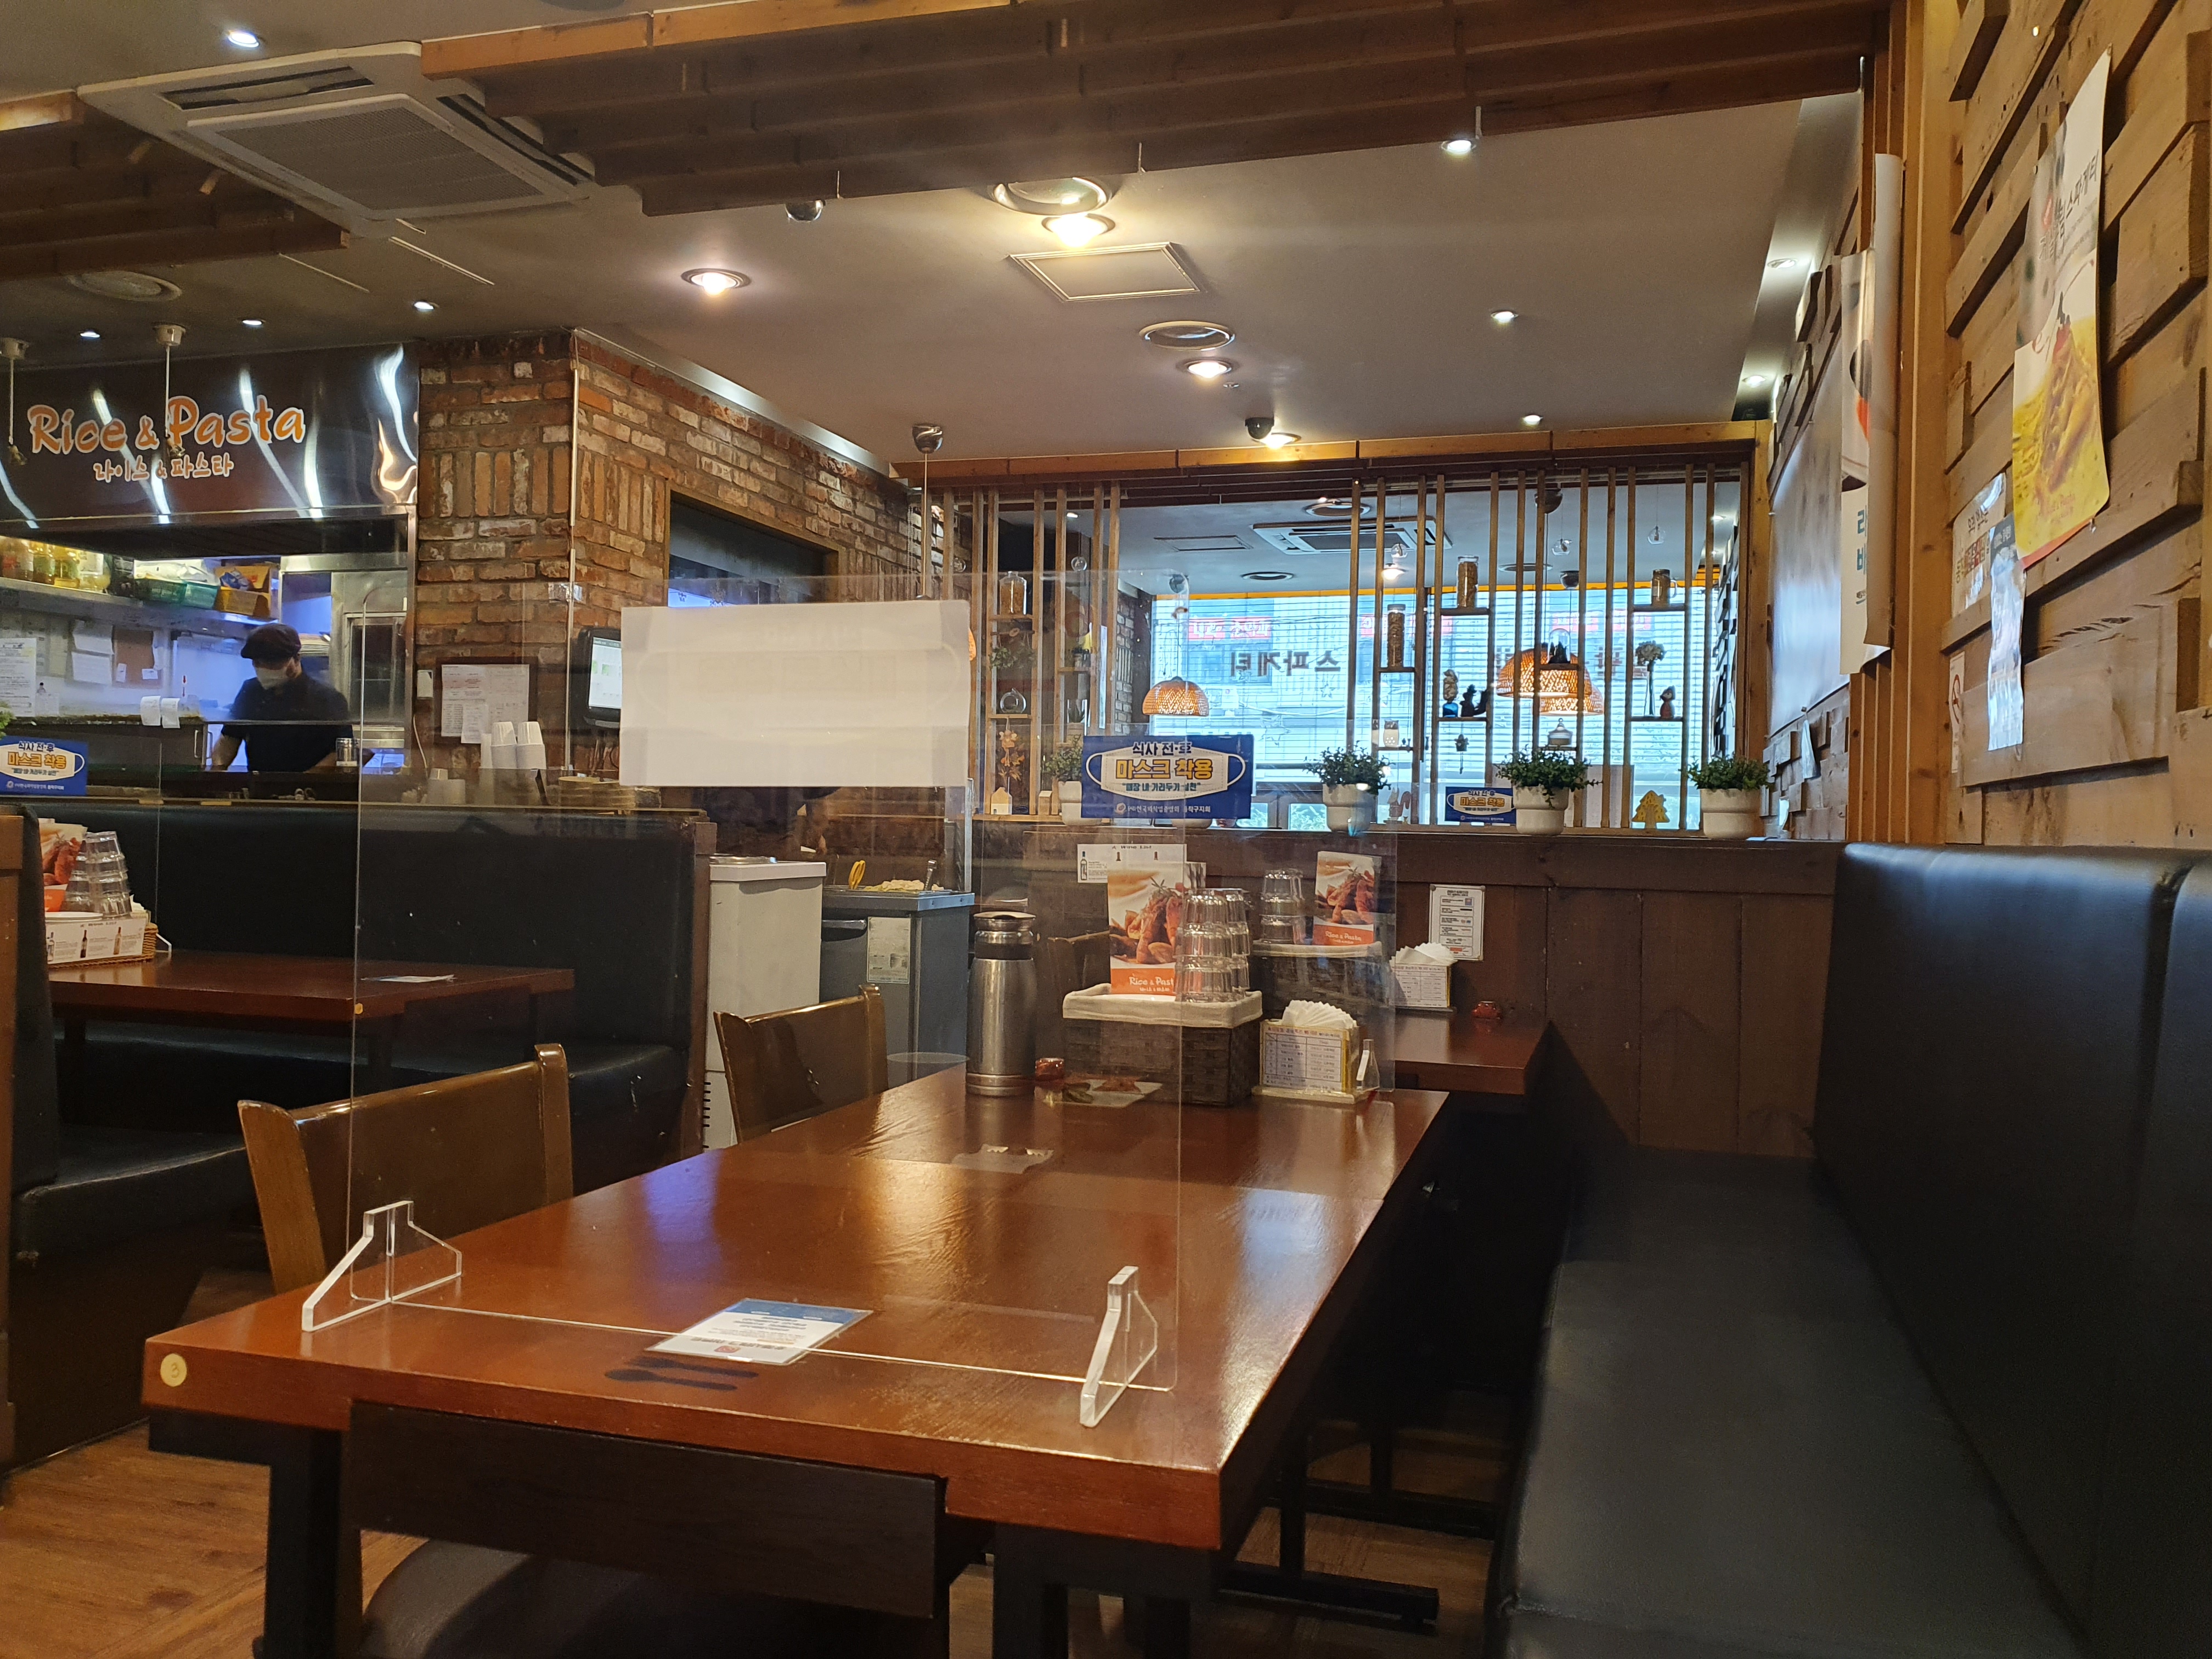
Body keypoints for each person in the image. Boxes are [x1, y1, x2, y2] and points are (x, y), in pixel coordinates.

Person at [210, 623, 352, 773]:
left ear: (296, 659)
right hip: (258, 783)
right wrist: (217, 772)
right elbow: (229, 739)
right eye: (258, 663)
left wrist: (305, 781)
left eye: (273, 663)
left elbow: (340, 752)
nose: (265, 668)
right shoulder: (251, 691)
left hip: (311, 785)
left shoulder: (328, 698)